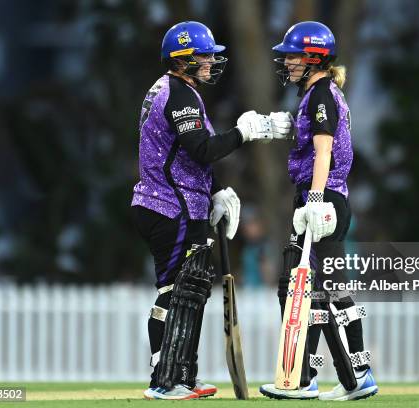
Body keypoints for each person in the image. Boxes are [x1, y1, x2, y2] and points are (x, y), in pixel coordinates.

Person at [131, 21, 292, 400]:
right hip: (170, 208)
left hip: (175, 204)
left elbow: (190, 156)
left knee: (192, 291)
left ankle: (180, 374)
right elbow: (203, 149)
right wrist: (245, 133)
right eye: (203, 55)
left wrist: (216, 192)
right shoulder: (178, 94)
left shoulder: (176, 90)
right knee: (177, 292)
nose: (210, 61)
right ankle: (165, 378)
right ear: (183, 59)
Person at [259, 21, 378, 401]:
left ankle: (346, 374)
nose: (287, 63)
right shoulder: (317, 93)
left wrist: (314, 199)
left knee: (321, 292)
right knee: (315, 291)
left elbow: (325, 151)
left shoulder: (322, 92)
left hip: (323, 199)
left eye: (292, 56)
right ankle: (319, 375)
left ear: (313, 57)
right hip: (326, 197)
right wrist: (287, 127)